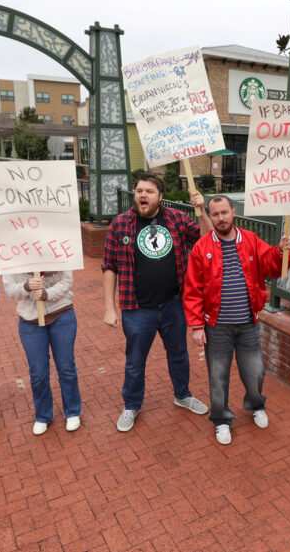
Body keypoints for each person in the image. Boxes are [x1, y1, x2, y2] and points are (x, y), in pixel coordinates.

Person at [101, 173, 212, 432]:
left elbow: (207, 240)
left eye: (149, 191)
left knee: (179, 354)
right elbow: (109, 267)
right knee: (135, 360)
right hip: (137, 308)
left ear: (160, 197)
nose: (143, 195)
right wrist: (109, 307)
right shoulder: (120, 224)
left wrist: (201, 211)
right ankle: (131, 405)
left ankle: (182, 394)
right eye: (139, 190)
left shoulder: (176, 219)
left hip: (173, 304)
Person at [183, 196, 290, 445]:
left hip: (248, 324)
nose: (221, 218)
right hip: (216, 326)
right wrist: (197, 325)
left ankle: (256, 405)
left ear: (234, 211)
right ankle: (221, 420)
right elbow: (192, 289)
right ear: (210, 216)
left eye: (224, 212)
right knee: (218, 375)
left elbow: (275, 267)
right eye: (215, 214)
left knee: (255, 371)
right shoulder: (201, 248)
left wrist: (282, 251)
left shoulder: (251, 241)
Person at [2, 271, 82, 436]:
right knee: (38, 372)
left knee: (66, 367)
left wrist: (47, 294)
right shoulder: (13, 257)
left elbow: (67, 280)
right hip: (30, 321)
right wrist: (26, 286)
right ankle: (43, 415)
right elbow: (10, 290)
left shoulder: (56, 247)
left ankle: (72, 411)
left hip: (61, 313)